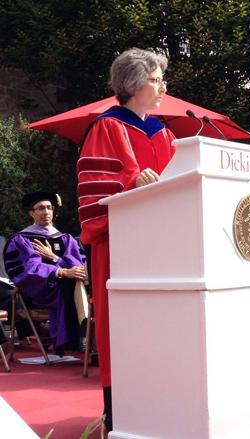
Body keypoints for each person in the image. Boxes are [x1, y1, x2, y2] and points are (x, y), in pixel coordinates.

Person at [77, 47, 176, 431]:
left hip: (166, 246)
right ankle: (121, 415)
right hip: (122, 248)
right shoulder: (107, 127)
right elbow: (92, 189)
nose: (163, 86)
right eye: (156, 79)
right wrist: (129, 181)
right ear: (134, 85)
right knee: (124, 328)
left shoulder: (165, 131)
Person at [3, 191, 87, 355]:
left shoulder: (65, 239)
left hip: (65, 284)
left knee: (76, 281)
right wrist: (62, 272)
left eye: (49, 208)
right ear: (31, 213)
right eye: (40, 208)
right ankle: (76, 338)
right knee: (67, 283)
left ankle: (82, 336)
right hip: (38, 290)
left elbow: (78, 267)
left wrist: (55, 258)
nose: (46, 212)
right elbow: (29, 270)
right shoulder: (23, 239)